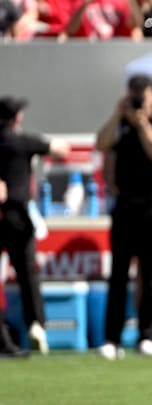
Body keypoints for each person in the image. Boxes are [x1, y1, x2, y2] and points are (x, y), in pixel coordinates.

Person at [95, 73, 152, 360]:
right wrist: (119, 115)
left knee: (151, 272)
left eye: (142, 93)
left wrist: (143, 124)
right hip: (125, 203)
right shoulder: (122, 123)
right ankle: (111, 339)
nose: (139, 98)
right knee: (118, 273)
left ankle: (147, 335)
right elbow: (101, 144)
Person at [0, 95, 71, 356]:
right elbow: (61, 150)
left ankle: (6, 335)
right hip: (18, 214)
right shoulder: (23, 141)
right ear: (16, 116)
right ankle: (36, 324)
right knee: (27, 275)